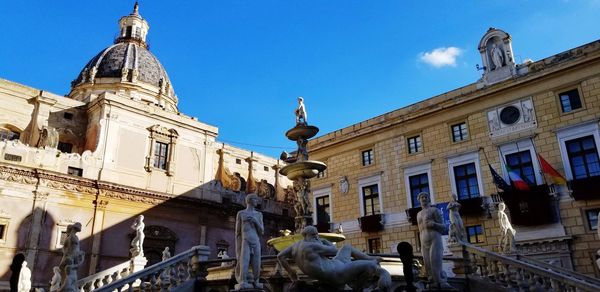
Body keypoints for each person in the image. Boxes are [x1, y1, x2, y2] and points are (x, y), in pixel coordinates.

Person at [277, 225, 391, 291]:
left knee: (347, 247)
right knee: (370, 267)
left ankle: (371, 258)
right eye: (315, 234)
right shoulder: (313, 246)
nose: (317, 236)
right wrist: (325, 241)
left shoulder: (295, 245)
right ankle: (358, 288)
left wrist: (291, 273)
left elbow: (280, 256)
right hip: (337, 274)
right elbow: (334, 250)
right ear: (313, 235)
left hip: (336, 265)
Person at [416, 192, 452, 289]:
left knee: (434, 262)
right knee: (427, 265)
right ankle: (432, 283)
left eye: (425, 197)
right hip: (423, 241)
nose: (423, 198)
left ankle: (441, 282)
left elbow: (444, 227)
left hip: (434, 239)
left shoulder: (434, 210)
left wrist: (434, 224)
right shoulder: (418, 214)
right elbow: (420, 230)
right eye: (421, 197)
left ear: (429, 199)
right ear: (419, 200)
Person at [234, 193, 264, 290]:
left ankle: (256, 281)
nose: (257, 201)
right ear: (250, 200)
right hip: (245, 241)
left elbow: (262, 231)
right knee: (244, 261)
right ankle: (243, 281)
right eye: (255, 199)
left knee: (257, 263)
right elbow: (237, 232)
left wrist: (255, 221)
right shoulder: (241, 214)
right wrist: (238, 247)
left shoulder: (259, 215)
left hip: (256, 241)